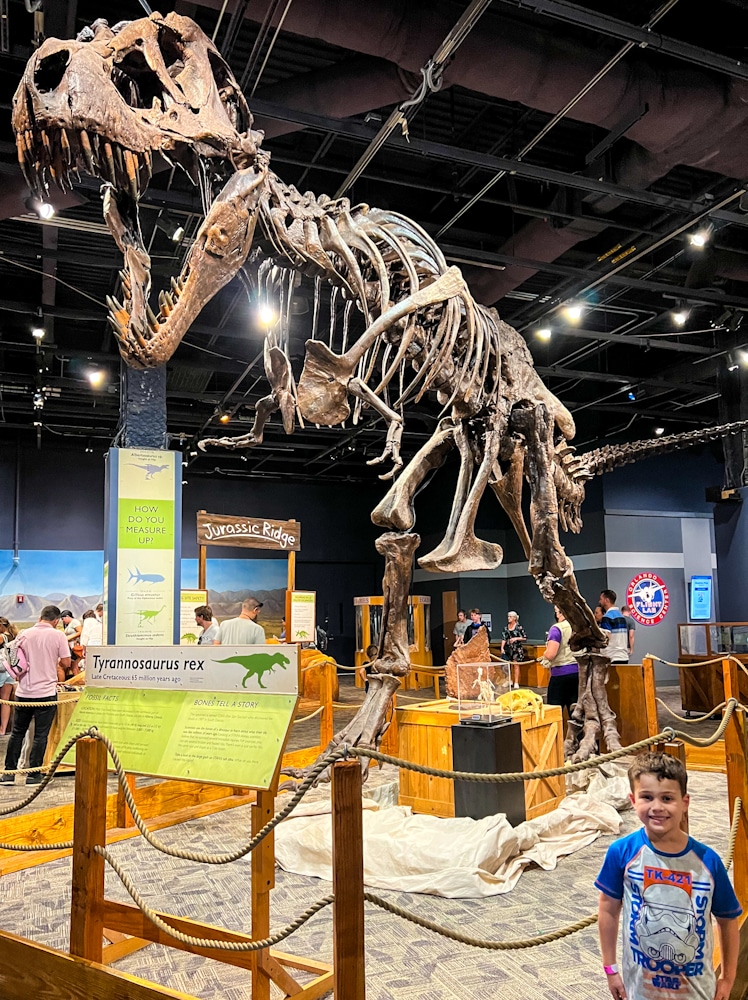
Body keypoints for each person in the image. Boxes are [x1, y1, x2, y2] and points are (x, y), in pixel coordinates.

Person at [596, 752, 740, 1000]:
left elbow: (728, 920)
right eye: (647, 797)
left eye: (667, 798)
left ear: (685, 802)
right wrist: (610, 969)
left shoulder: (708, 863)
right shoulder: (622, 853)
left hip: (696, 993)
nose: (657, 807)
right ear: (633, 800)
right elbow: (608, 909)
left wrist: (728, 977)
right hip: (639, 990)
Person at [1, 605, 70, 786]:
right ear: (56, 620)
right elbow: (66, 661)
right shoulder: (58, 635)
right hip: (46, 693)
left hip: (23, 693)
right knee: (40, 735)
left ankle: (8, 773)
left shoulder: (24, 634)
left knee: (17, 733)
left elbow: (12, 655)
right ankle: (34, 775)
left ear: (41, 617)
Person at [541, 606, 578, 717]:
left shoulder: (556, 629)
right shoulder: (578, 627)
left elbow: (551, 654)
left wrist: (544, 655)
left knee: (554, 713)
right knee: (576, 714)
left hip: (560, 675)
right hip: (578, 674)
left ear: (559, 613)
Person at [598, 590, 629, 664]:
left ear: (606, 600)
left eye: (601, 599)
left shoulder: (607, 617)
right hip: (623, 657)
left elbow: (605, 638)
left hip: (612, 658)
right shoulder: (622, 617)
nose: (599, 601)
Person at [0, 617, 18, 736]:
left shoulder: (1, 637)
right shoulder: (12, 636)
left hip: (1, 672)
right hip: (9, 672)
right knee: (5, 701)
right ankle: (4, 728)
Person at [500, 611, 526, 689]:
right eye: (508, 616)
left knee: (516, 665)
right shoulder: (506, 627)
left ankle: (516, 682)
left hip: (516, 649)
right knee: (507, 666)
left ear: (514, 618)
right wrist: (502, 647)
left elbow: (524, 637)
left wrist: (516, 638)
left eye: (510, 617)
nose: (509, 618)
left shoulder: (519, 627)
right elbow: (504, 638)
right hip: (508, 649)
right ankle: (509, 680)